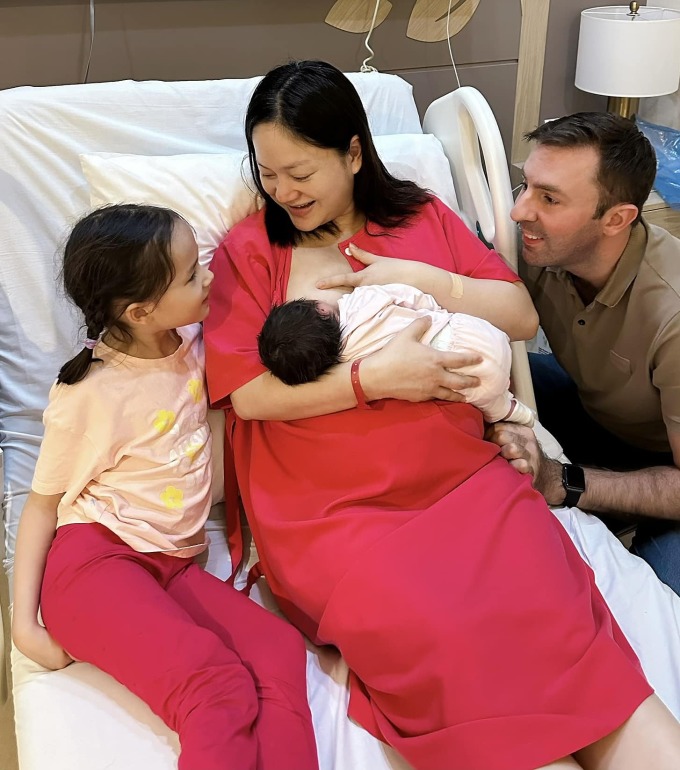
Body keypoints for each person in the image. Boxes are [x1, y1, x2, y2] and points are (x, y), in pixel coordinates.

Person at [204, 60, 680, 770]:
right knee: (439, 636)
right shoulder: (251, 252)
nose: (282, 190)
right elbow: (247, 394)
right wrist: (374, 378)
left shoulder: (422, 216)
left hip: (461, 480)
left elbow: (518, 315)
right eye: (267, 172)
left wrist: (427, 280)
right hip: (332, 509)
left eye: (299, 170)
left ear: (355, 153)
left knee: (553, 620)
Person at [11, 203, 319, 770]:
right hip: (95, 565)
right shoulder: (90, 395)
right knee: (217, 687)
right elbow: (41, 505)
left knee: (276, 651)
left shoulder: (196, 342)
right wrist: (22, 623)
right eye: (191, 274)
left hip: (170, 563)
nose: (209, 276)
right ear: (140, 309)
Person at [488, 112, 680, 594]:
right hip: (601, 409)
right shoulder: (549, 248)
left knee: (652, 606)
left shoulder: (671, 316)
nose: (519, 211)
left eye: (549, 198)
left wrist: (565, 481)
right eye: (525, 186)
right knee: (489, 380)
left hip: (668, 464)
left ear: (617, 219)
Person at [257, 284, 535, 425]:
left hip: (471, 380)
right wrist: (434, 311)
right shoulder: (361, 300)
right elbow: (409, 295)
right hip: (477, 334)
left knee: (490, 403)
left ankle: (515, 412)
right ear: (321, 308)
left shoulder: (350, 360)